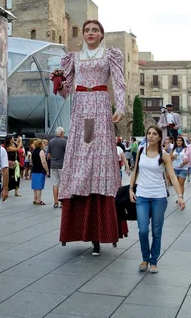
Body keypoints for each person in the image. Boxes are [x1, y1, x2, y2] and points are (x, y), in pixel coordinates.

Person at [55, 19, 126, 255]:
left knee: (95, 155)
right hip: (82, 108)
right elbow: (65, 92)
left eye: (95, 30)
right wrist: (58, 82)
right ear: (83, 35)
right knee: (85, 153)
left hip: (98, 104)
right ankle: (83, 216)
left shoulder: (109, 55)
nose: (91, 33)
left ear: (102, 34)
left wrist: (121, 108)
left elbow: (119, 81)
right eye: (87, 30)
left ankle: (98, 227)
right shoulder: (74, 58)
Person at [129, 125, 185, 273]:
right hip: (142, 195)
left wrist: (180, 196)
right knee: (142, 230)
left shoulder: (164, 155)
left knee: (156, 230)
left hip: (159, 197)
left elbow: (172, 176)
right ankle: (144, 258)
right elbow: (135, 172)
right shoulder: (141, 151)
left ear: (159, 137)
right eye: (149, 133)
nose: (151, 136)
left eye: (154, 134)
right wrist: (130, 189)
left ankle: (153, 261)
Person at [48, 127, 67, 208]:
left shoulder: (51, 141)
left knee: (55, 184)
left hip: (53, 165)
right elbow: (68, 153)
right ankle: (62, 202)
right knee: (63, 184)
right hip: (62, 164)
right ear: (61, 133)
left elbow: (48, 154)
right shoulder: (64, 141)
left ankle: (55, 202)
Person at [30, 138, 49, 205]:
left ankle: (35, 199)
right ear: (41, 144)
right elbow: (43, 162)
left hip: (34, 170)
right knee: (39, 186)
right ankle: (39, 200)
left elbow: (31, 162)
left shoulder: (34, 151)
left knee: (35, 186)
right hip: (40, 170)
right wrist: (47, 170)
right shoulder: (41, 152)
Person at [171, 136, 188, 201]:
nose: (179, 142)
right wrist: (173, 157)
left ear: (182, 142)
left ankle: (180, 197)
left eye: (180, 141)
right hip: (175, 168)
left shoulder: (185, 149)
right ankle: (179, 195)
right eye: (177, 141)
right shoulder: (173, 149)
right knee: (176, 184)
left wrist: (184, 163)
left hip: (183, 168)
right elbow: (169, 158)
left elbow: (188, 158)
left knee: (181, 184)